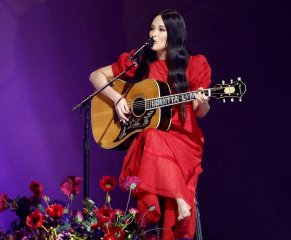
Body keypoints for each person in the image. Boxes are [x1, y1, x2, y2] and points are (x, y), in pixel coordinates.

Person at [89, 9, 211, 240]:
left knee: (152, 136)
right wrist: (118, 100)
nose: (153, 34)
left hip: (184, 141)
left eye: (161, 30)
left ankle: (179, 200)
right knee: (151, 135)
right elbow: (96, 76)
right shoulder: (140, 60)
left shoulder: (194, 65)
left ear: (174, 35)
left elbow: (200, 111)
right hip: (153, 142)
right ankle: (179, 199)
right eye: (152, 28)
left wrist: (203, 102)